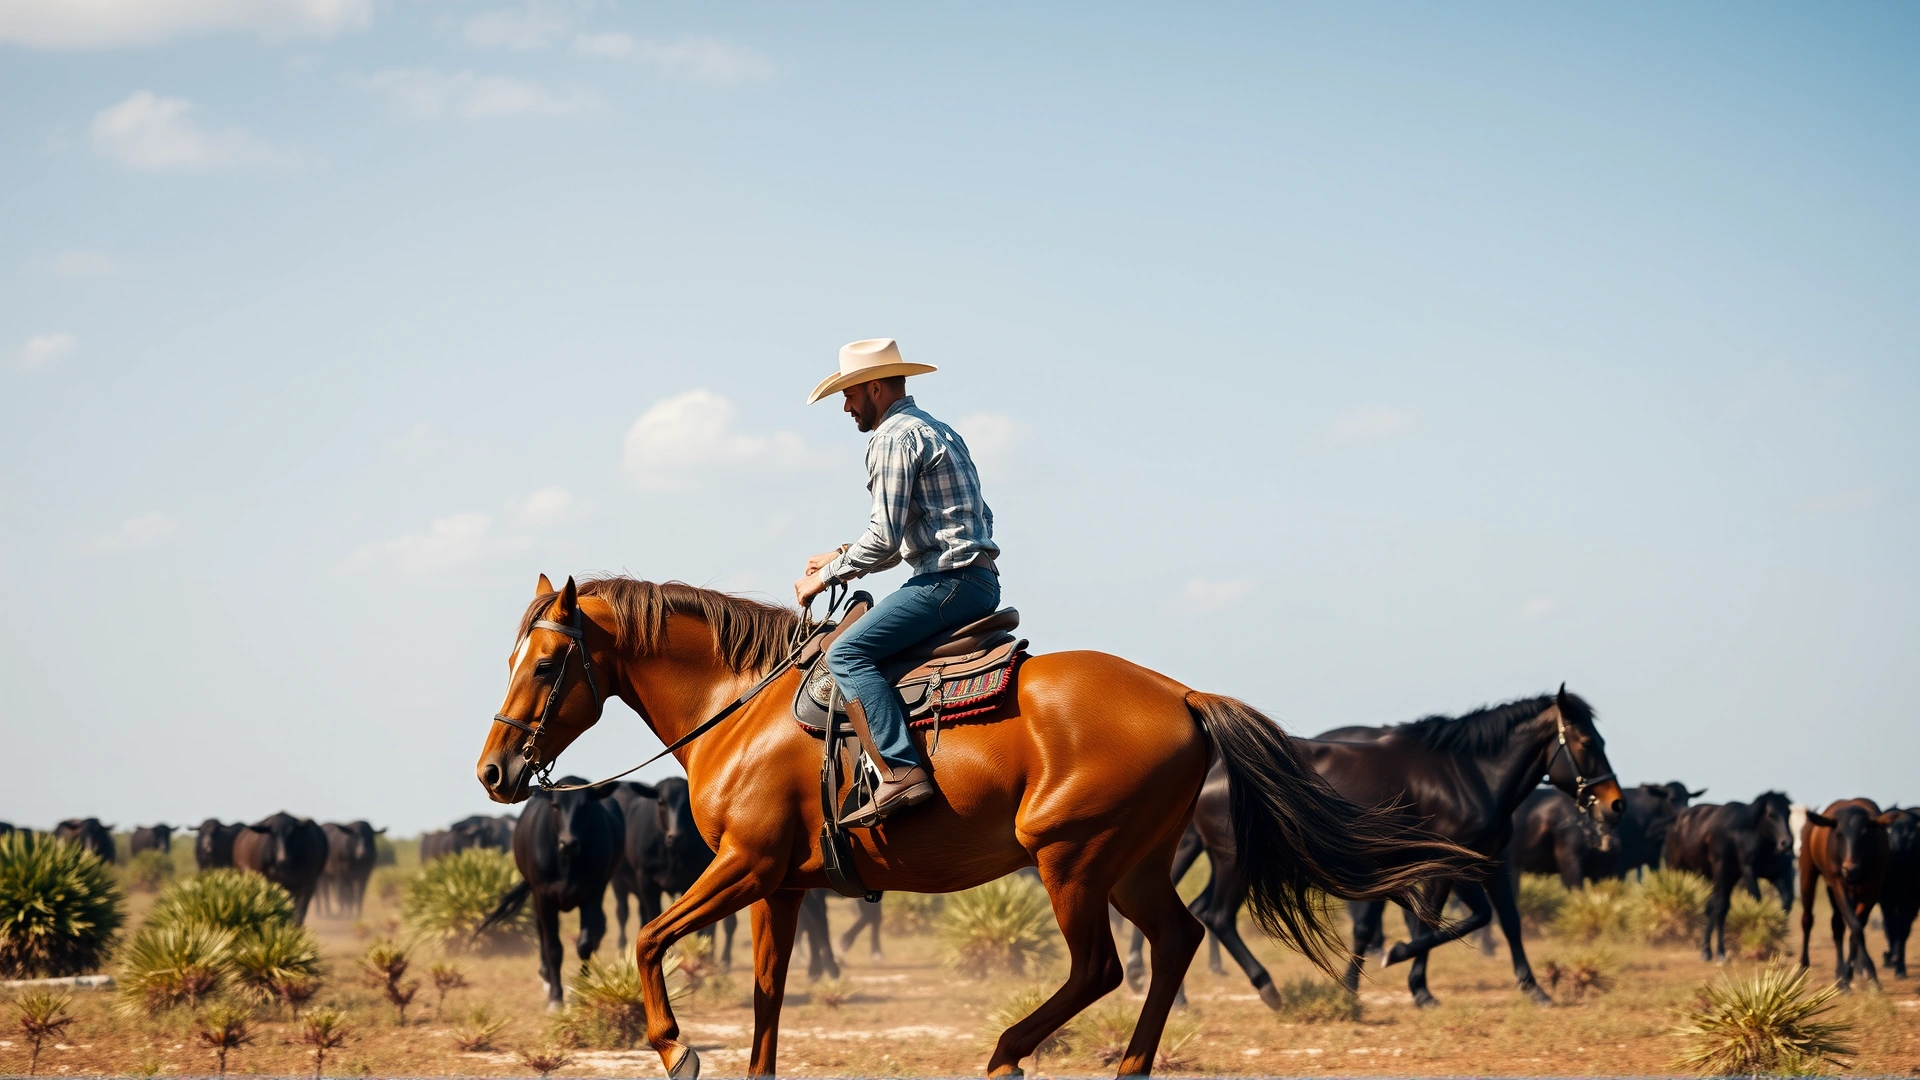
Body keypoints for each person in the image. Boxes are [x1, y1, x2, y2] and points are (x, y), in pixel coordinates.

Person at [794, 338, 1001, 826]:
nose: (846, 407)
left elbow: (885, 541)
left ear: (875, 387)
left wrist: (821, 579)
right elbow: (923, 526)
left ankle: (902, 771)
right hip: (975, 579)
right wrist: (843, 553)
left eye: (849, 394)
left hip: (944, 582)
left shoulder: (890, 438)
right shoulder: (938, 429)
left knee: (845, 654)